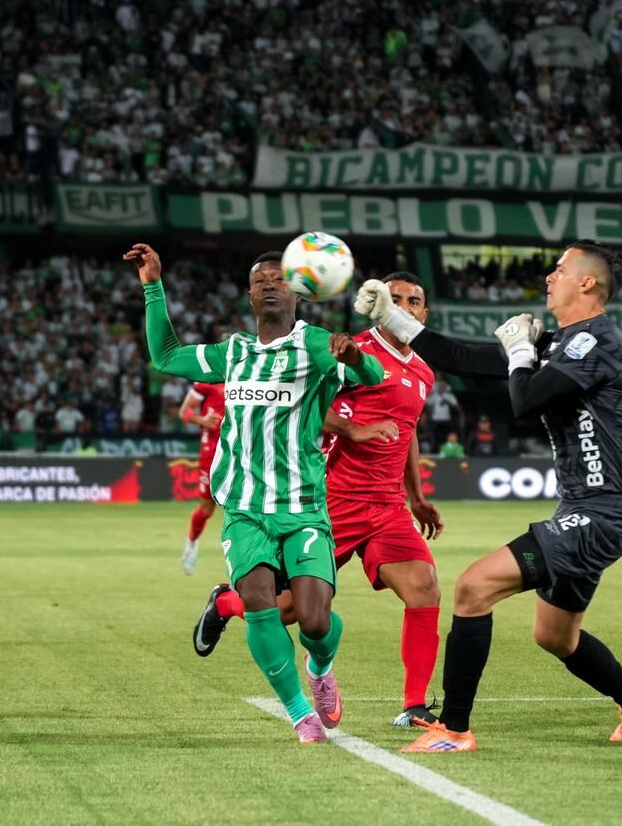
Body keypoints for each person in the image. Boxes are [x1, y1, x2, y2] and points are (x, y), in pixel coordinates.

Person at [354, 239, 622, 754]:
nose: (550, 276)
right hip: (582, 512)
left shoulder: (596, 342)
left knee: (473, 588)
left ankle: (453, 730)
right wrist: (395, 318)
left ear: (586, 282)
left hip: (601, 513)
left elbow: (525, 399)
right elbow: (465, 358)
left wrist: (521, 351)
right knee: (555, 637)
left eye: (560, 269)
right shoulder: (563, 341)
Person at [124, 242, 384, 745]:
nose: (270, 284)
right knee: (259, 601)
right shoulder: (234, 352)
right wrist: (153, 285)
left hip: (303, 508)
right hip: (244, 508)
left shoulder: (317, 346)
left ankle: (320, 666)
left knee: (314, 620)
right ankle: (299, 714)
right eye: (261, 280)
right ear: (249, 295)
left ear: (300, 291)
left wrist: (354, 355)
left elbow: (369, 377)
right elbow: (166, 356)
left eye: (279, 278)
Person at [194, 273, 447, 729]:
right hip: (329, 500)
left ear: (424, 315)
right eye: (395, 299)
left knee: (424, 587)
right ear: (378, 306)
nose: (405, 307)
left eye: (414, 300)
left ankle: (414, 706)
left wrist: (416, 495)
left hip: (386, 507)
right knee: (293, 613)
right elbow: (299, 402)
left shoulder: (422, 370)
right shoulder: (348, 350)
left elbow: (406, 430)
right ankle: (227, 603)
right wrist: (351, 429)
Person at [179, 380, 225, 575]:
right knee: (207, 508)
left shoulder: (247, 367)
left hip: (240, 450)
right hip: (212, 452)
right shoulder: (208, 378)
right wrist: (203, 420)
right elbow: (185, 412)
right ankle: (191, 543)